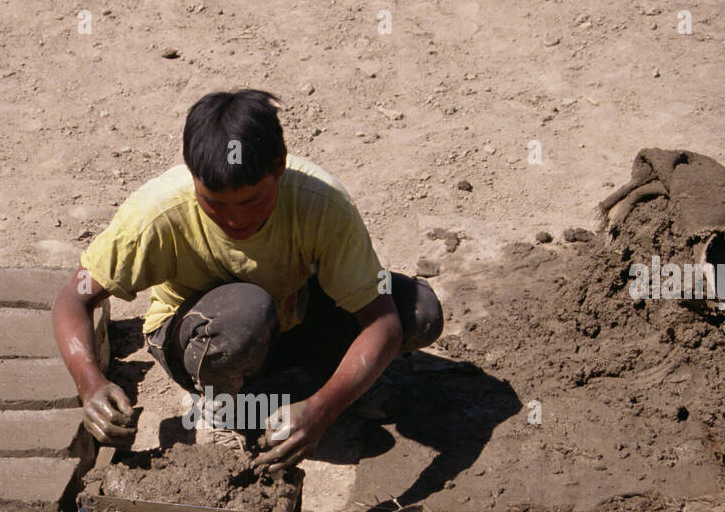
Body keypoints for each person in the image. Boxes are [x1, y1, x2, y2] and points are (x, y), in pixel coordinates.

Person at [51, 88, 443, 471]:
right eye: (215, 205)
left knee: (418, 311)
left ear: (280, 168)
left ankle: (301, 393)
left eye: (253, 201)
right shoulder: (156, 215)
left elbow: (383, 320)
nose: (236, 219)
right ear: (193, 179)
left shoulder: (320, 204)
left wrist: (324, 408)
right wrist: (91, 384)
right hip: (198, 336)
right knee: (245, 315)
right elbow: (74, 298)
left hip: (290, 317)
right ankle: (224, 409)